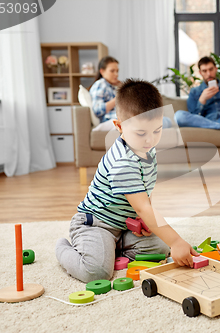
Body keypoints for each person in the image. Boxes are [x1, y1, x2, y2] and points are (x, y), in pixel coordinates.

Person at [56, 79, 198, 283]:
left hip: (125, 224)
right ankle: (63, 248)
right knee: (96, 272)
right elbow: (143, 208)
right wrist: (176, 241)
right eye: (141, 133)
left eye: (157, 131)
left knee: (160, 249)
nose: (150, 140)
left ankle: (113, 247)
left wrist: (144, 222)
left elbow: (144, 196)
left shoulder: (145, 147)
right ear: (119, 127)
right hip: (96, 224)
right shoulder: (123, 162)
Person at [90, 56, 171, 131]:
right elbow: (97, 110)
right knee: (163, 121)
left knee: (162, 120)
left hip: (125, 117)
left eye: (117, 71)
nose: (116, 74)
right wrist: (119, 98)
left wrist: (122, 87)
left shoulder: (112, 86)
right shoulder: (100, 84)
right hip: (113, 119)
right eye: (112, 71)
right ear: (102, 71)